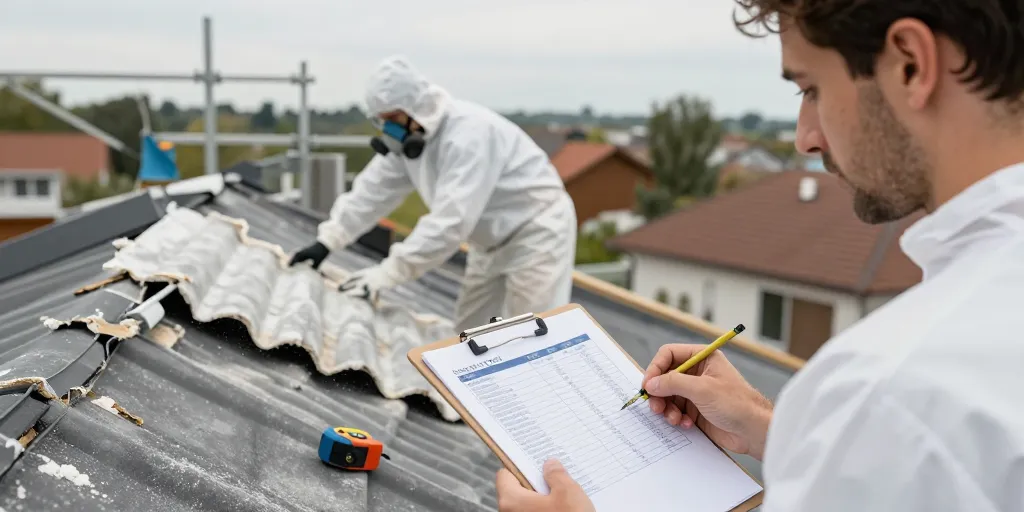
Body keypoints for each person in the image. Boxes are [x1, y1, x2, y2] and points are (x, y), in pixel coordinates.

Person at [496, 1, 1024, 510]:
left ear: (910, 63)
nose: (804, 138)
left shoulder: (892, 392)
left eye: (811, 88)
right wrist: (767, 425)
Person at [289, 56, 577, 334]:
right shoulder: (409, 139)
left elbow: (451, 221)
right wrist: (327, 241)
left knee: (532, 334)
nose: (388, 128)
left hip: (537, 233)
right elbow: (372, 192)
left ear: (416, 108)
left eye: (392, 118)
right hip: (488, 243)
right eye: (381, 120)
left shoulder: (467, 135)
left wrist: (387, 274)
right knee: (472, 333)